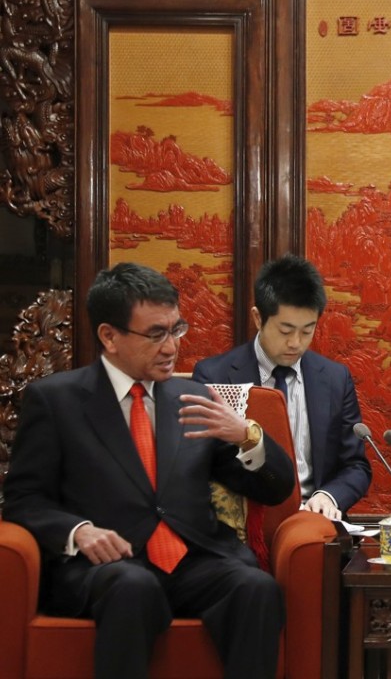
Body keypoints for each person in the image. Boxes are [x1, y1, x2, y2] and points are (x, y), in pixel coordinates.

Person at [3, 262, 295, 679]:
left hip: (194, 561)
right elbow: (23, 500)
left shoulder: (195, 398)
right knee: (132, 587)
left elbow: (275, 489)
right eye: (156, 334)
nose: (171, 347)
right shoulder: (56, 402)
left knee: (255, 587)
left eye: (176, 329)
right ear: (110, 336)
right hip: (106, 569)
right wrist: (77, 531)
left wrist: (246, 435)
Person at [193, 254, 371, 520]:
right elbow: (205, 464)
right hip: (246, 519)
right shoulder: (215, 376)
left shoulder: (335, 379)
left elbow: (356, 465)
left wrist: (329, 496)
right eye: (285, 331)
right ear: (257, 318)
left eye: (307, 331)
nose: (295, 343)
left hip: (313, 518)